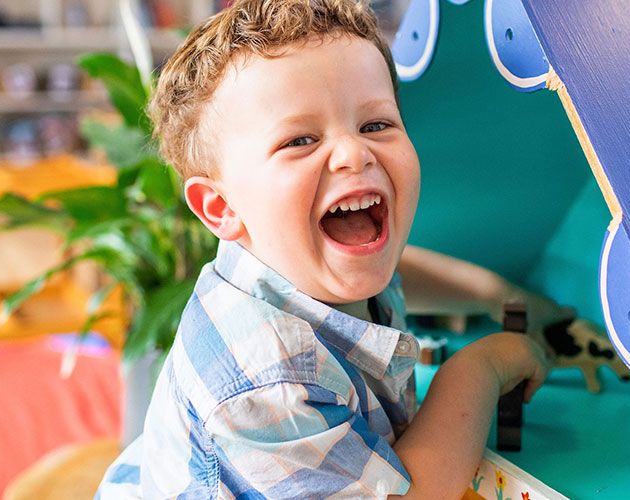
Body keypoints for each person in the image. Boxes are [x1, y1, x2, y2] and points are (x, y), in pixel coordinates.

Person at [96, 0, 564, 497]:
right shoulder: (268, 380)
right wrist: (480, 368)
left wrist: (496, 294)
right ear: (220, 208)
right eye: (299, 140)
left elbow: (401, 271)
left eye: (376, 125)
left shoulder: (308, 259)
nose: (354, 152)